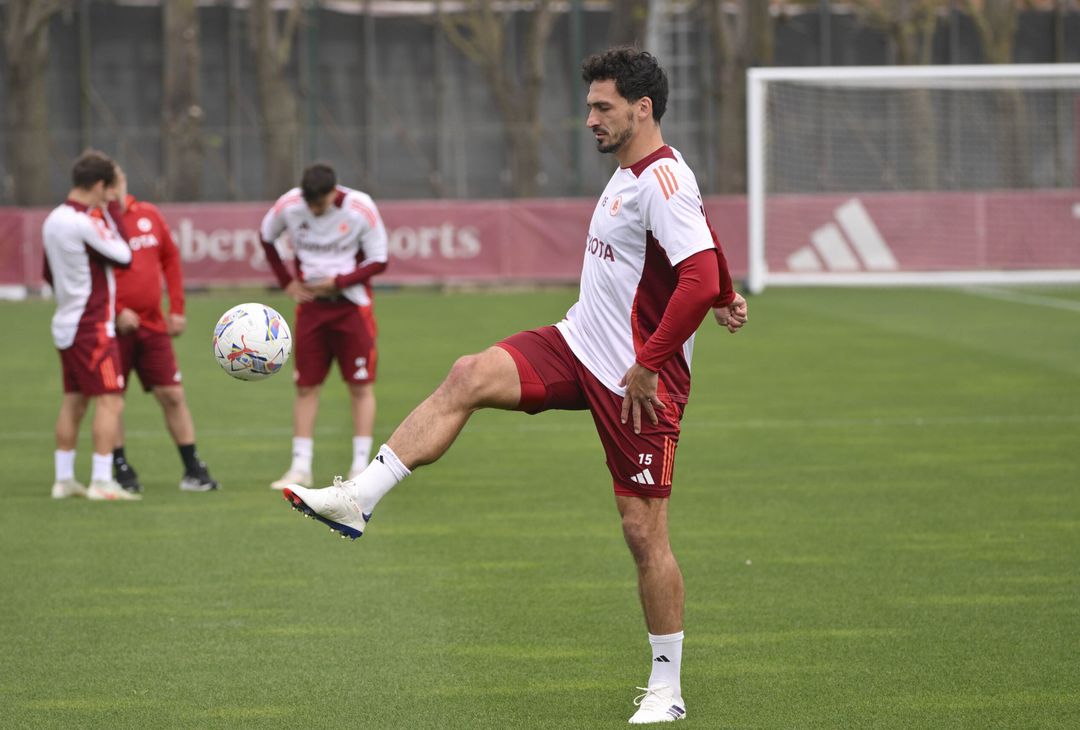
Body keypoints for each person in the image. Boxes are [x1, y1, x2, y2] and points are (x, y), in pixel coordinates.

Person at [281, 48, 748, 724]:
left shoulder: (662, 178)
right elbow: (704, 252)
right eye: (589, 105)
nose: (588, 118)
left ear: (642, 109)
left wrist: (654, 356)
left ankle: (666, 686)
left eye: (602, 107)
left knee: (643, 534)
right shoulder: (631, 174)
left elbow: (696, 274)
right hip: (579, 341)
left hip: (639, 382)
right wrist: (730, 294)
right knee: (468, 373)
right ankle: (360, 497)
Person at [259, 163, 389, 490]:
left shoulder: (360, 208)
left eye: (321, 204)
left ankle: (361, 467)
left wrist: (340, 282)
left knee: (360, 386)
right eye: (311, 203)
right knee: (305, 386)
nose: (315, 211)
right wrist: (286, 282)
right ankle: (300, 467)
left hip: (352, 308)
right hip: (311, 309)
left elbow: (379, 259)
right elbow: (265, 236)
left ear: (333, 193)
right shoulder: (290, 205)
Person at [97, 177, 221, 493]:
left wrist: (177, 308)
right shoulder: (95, 223)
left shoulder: (149, 214)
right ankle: (120, 468)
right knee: (113, 399)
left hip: (153, 327)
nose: (116, 189)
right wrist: (115, 310)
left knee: (173, 395)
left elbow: (170, 258)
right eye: (109, 184)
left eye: (119, 181)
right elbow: (85, 276)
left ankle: (193, 469)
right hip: (113, 329)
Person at [43, 150, 140, 501]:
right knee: (110, 399)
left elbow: (47, 273)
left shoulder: (53, 218)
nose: (110, 194)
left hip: (66, 320)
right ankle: (102, 480)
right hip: (92, 325)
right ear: (100, 185)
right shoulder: (85, 221)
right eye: (109, 188)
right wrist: (114, 208)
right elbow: (124, 255)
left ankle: (64, 478)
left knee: (74, 400)